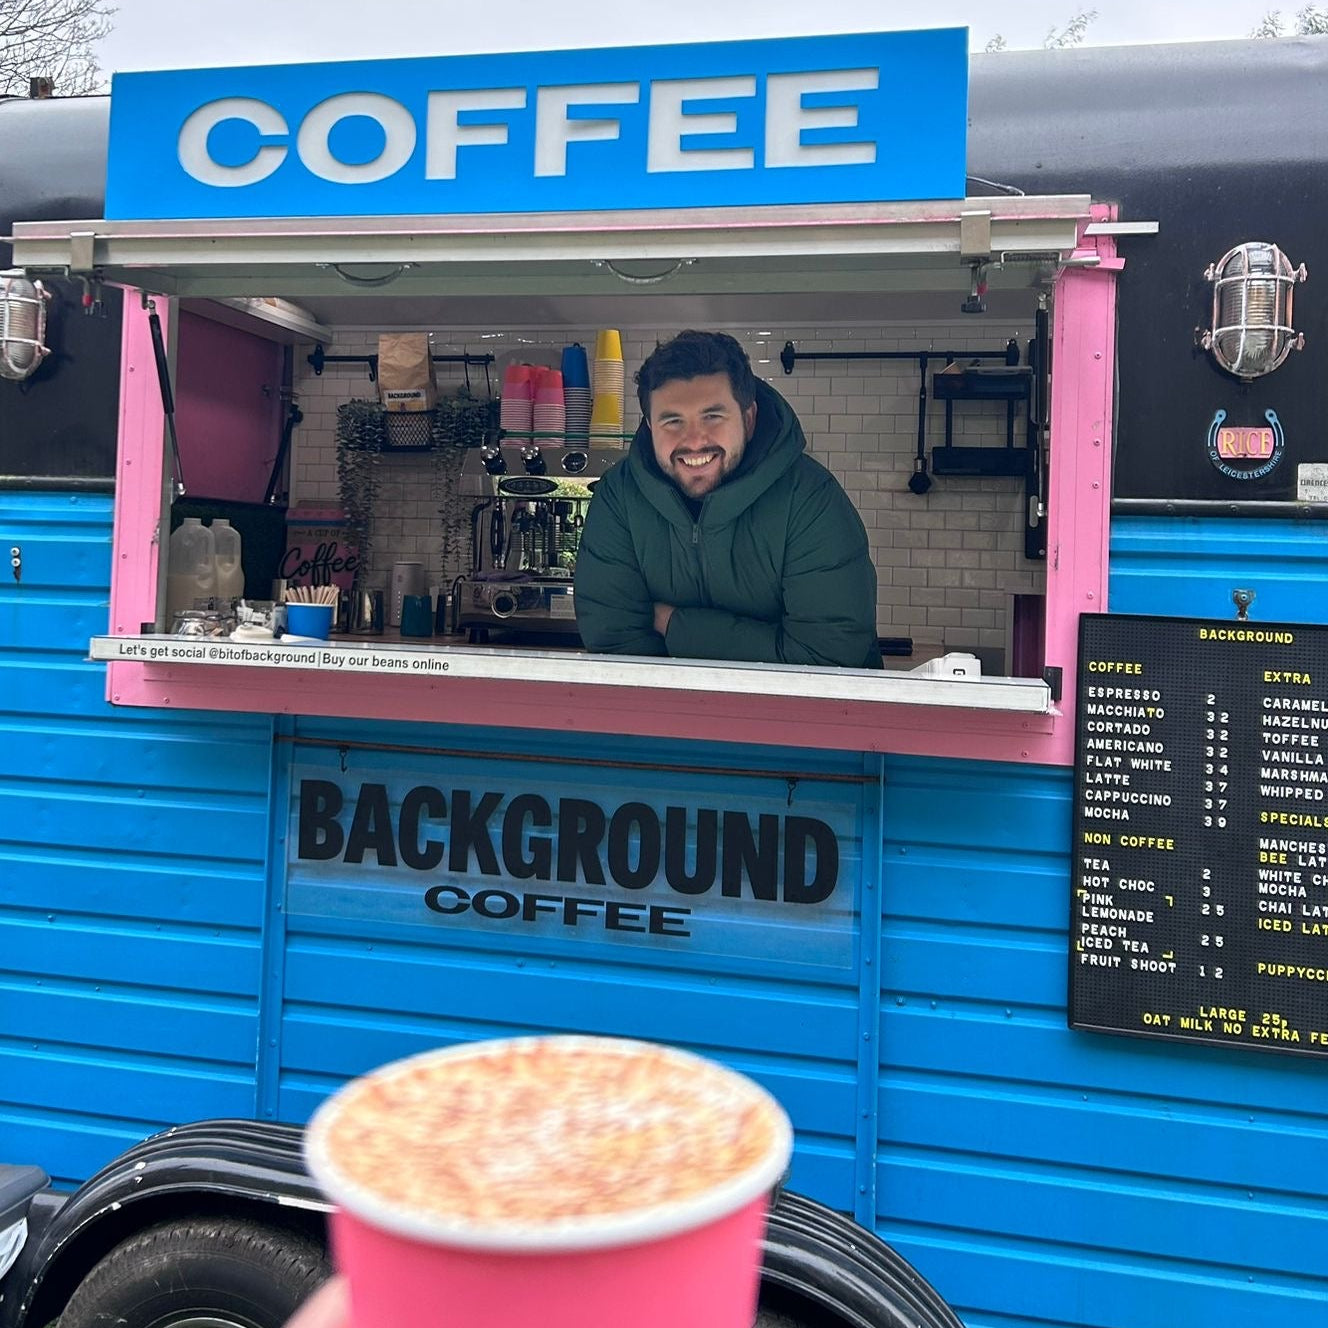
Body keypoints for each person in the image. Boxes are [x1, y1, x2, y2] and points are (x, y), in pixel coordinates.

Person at [573, 330, 882, 668]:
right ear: (649, 427)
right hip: (667, 719)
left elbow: (825, 659)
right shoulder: (619, 497)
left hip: (805, 720)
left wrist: (673, 624)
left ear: (748, 419)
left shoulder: (810, 498)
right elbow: (615, 648)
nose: (693, 441)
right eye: (672, 421)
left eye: (713, 417)